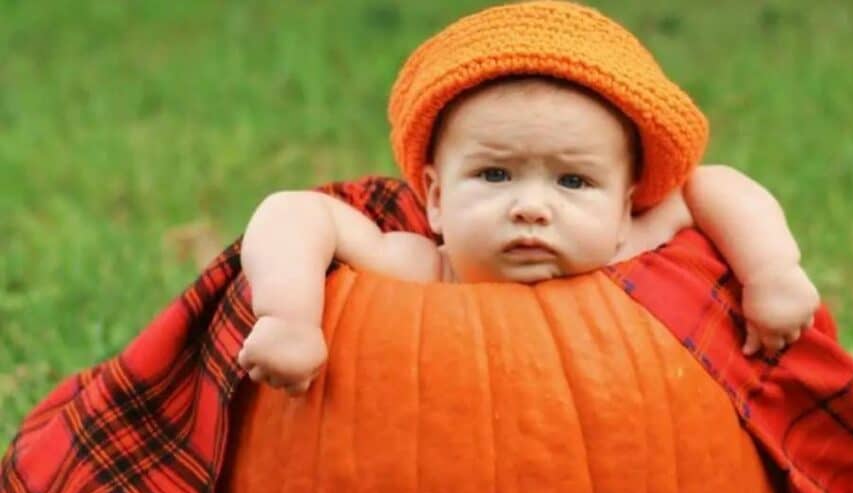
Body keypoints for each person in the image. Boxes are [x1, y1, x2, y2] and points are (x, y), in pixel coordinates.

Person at [236, 6, 820, 396]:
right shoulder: (425, 270)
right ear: (436, 199)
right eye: (494, 174)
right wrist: (288, 316)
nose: (531, 207)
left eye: (573, 182)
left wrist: (771, 270)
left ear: (625, 207)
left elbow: (711, 183)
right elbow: (295, 211)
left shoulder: (632, 246)